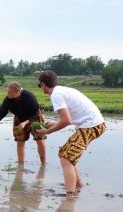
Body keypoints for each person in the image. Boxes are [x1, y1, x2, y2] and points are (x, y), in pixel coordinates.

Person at [36, 70, 106, 198]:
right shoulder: (62, 90)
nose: (41, 88)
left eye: (39, 86)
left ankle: (70, 195)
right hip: (92, 124)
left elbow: (66, 120)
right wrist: (55, 123)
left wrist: (47, 131)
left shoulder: (55, 95)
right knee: (65, 152)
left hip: (91, 126)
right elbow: (67, 118)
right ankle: (77, 184)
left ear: (43, 84)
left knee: (66, 158)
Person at [0, 82, 47, 164]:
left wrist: (26, 122)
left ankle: (43, 164)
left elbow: (35, 113)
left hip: (35, 117)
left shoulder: (29, 96)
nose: (7, 94)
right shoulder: (7, 100)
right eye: (7, 92)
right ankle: (20, 166)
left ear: (18, 92)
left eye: (10, 93)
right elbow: (1, 113)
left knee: (40, 139)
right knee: (20, 141)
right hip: (19, 118)